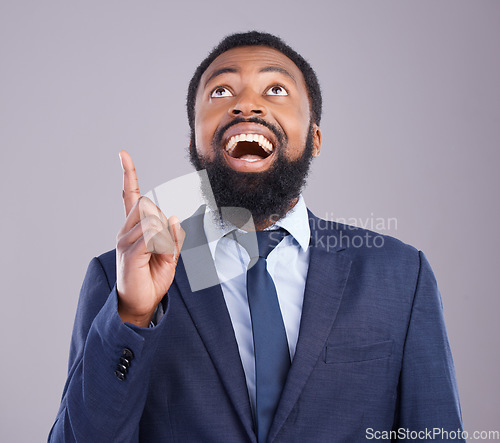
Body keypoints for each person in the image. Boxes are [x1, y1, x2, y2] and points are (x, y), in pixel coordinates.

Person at [49, 31, 464, 442]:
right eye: (221, 92)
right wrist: (132, 316)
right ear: (194, 140)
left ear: (314, 138)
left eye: (276, 88)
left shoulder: (400, 276)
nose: (245, 104)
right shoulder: (118, 278)